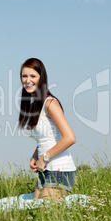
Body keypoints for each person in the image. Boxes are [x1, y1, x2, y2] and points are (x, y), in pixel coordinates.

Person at [18, 58, 76, 200]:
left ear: (41, 78)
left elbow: (70, 138)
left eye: (33, 76)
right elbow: (47, 138)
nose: (28, 80)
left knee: (46, 213)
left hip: (59, 169)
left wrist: (45, 157)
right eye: (24, 76)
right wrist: (35, 156)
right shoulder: (34, 106)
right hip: (45, 170)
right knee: (37, 215)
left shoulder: (50, 103)